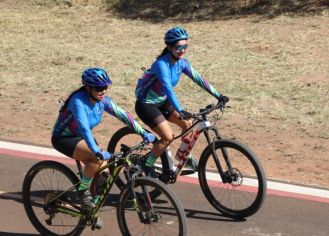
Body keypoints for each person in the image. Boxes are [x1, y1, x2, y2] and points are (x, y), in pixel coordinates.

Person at [51, 68, 155, 226]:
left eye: (106, 87)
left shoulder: (103, 101)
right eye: (99, 88)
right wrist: (96, 151)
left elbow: (123, 115)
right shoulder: (78, 101)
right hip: (64, 138)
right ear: (88, 88)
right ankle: (82, 190)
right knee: (95, 158)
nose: (103, 91)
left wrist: (142, 132)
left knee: (104, 176)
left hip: (83, 138)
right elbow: (84, 128)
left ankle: (90, 210)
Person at [135, 26, 229, 176]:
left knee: (188, 125)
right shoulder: (161, 65)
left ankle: (184, 157)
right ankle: (146, 165)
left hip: (162, 101)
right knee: (168, 137)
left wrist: (218, 95)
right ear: (170, 47)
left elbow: (199, 78)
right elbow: (167, 88)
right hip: (146, 103)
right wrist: (180, 110)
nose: (183, 50)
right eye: (179, 47)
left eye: (185, 46)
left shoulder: (182, 63)